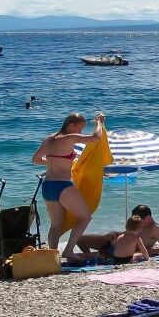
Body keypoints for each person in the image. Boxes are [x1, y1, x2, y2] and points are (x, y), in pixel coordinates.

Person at [31, 111, 107, 260]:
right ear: (70, 125)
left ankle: (52, 258)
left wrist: (56, 162)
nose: (80, 132)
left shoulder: (50, 138)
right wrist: (99, 122)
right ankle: (69, 250)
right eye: (80, 128)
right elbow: (96, 138)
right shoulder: (69, 138)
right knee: (85, 217)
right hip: (62, 185)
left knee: (56, 225)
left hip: (47, 186)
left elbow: (35, 159)